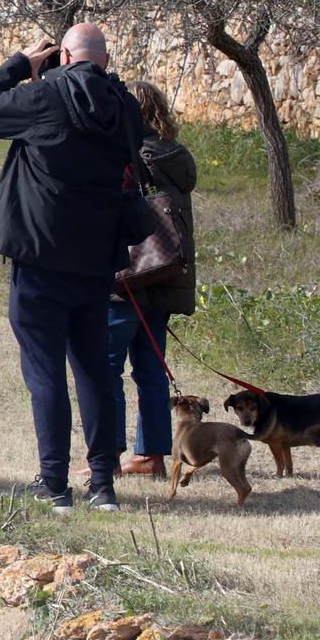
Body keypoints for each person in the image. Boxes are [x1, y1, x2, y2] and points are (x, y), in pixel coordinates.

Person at [0, 24, 145, 513]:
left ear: (63, 55)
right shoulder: (125, 108)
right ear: (104, 59)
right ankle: (103, 482)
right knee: (95, 372)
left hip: (41, 258)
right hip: (96, 259)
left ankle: (55, 482)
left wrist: (20, 64)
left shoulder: (44, 97)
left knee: (45, 370)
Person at [106, 80, 196, 481]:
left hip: (128, 278)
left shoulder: (127, 156)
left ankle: (105, 456)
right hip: (164, 276)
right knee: (152, 370)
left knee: (106, 368)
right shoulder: (173, 157)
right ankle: (152, 456)